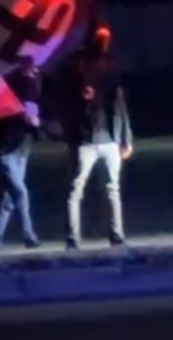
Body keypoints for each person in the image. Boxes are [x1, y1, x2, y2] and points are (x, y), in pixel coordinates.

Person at [61, 23, 133, 250]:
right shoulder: (77, 67)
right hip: (87, 139)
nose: (104, 43)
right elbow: (67, 102)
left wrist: (126, 138)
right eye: (101, 38)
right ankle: (74, 237)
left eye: (106, 38)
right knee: (77, 190)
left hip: (108, 138)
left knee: (110, 190)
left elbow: (120, 105)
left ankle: (116, 235)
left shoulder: (110, 69)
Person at [0, 56, 42, 251]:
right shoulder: (11, 94)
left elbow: (33, 119)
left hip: (21, 150)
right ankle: (28, 235)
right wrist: (28, 120)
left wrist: (36, 126)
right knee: (20, 193)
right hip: (8, 150)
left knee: (9, 199)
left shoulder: (33, 90)